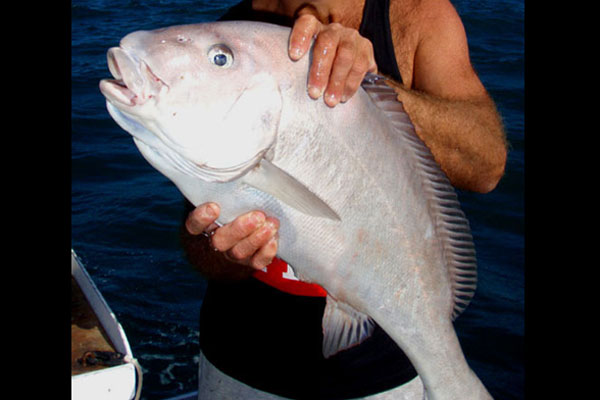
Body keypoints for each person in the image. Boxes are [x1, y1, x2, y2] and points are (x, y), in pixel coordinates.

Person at [181, 0, 507, 398]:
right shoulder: (233, 33)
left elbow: (487, 164)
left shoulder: (418, 16)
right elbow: (198, 239)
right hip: (240, 364)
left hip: (383, 376)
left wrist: (370, 85)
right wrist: (224, 251)